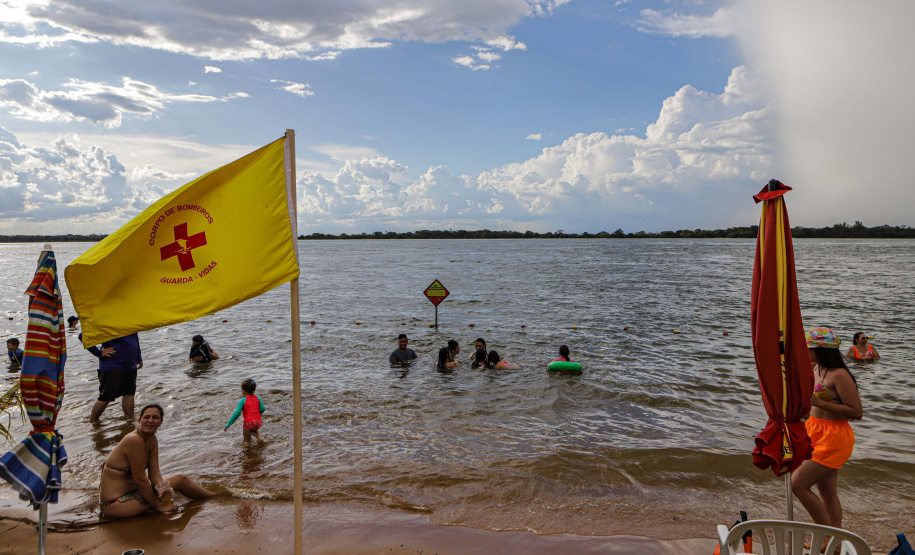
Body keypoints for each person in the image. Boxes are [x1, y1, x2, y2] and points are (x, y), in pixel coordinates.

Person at [792, 327, 863, 529]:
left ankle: (828, 535)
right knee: (826, 490)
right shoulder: (815, 368)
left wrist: (820, 403)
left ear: (821, 350)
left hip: (834, 436)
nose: (805, 351)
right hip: (814, 430)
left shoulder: (839, 374)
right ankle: (834, 542)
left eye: (808, 348)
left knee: (798, 485)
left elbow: (856, 412)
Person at [99, 404, 216, 518]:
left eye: (155, 417)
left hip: (131, 496)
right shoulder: (134, 440)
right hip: (114, 505)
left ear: (161, 422)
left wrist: (162, 491)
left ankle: (213, 496)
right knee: (181, 480)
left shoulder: (151, 439)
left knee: (170, 486)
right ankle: (217, 497)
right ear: (139, 420)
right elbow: (140, 480)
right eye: (146, 417)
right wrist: (159, 506)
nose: (150, 420)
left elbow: (154, 474)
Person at [82, 332, 143, 423]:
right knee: (106, 397)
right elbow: (83, 335)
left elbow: (135, 338)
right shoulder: (107, 320)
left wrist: (138, 358)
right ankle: (92, 423)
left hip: (130, 365)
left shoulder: (131, 320)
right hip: (112, 366)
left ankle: (129, 421)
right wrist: (98, 352)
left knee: (129, 393)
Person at [224, 378, 265, 447]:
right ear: (254, 390)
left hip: (248, 423)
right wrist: (259, 414)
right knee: (254, 430)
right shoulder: (258, 398)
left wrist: (227, 425)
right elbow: (262, 409)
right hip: (258, 422)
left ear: (243, 391)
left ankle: (247, 453)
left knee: (246, 440)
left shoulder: (242, 400)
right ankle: (259, 438)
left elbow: (237, 413)